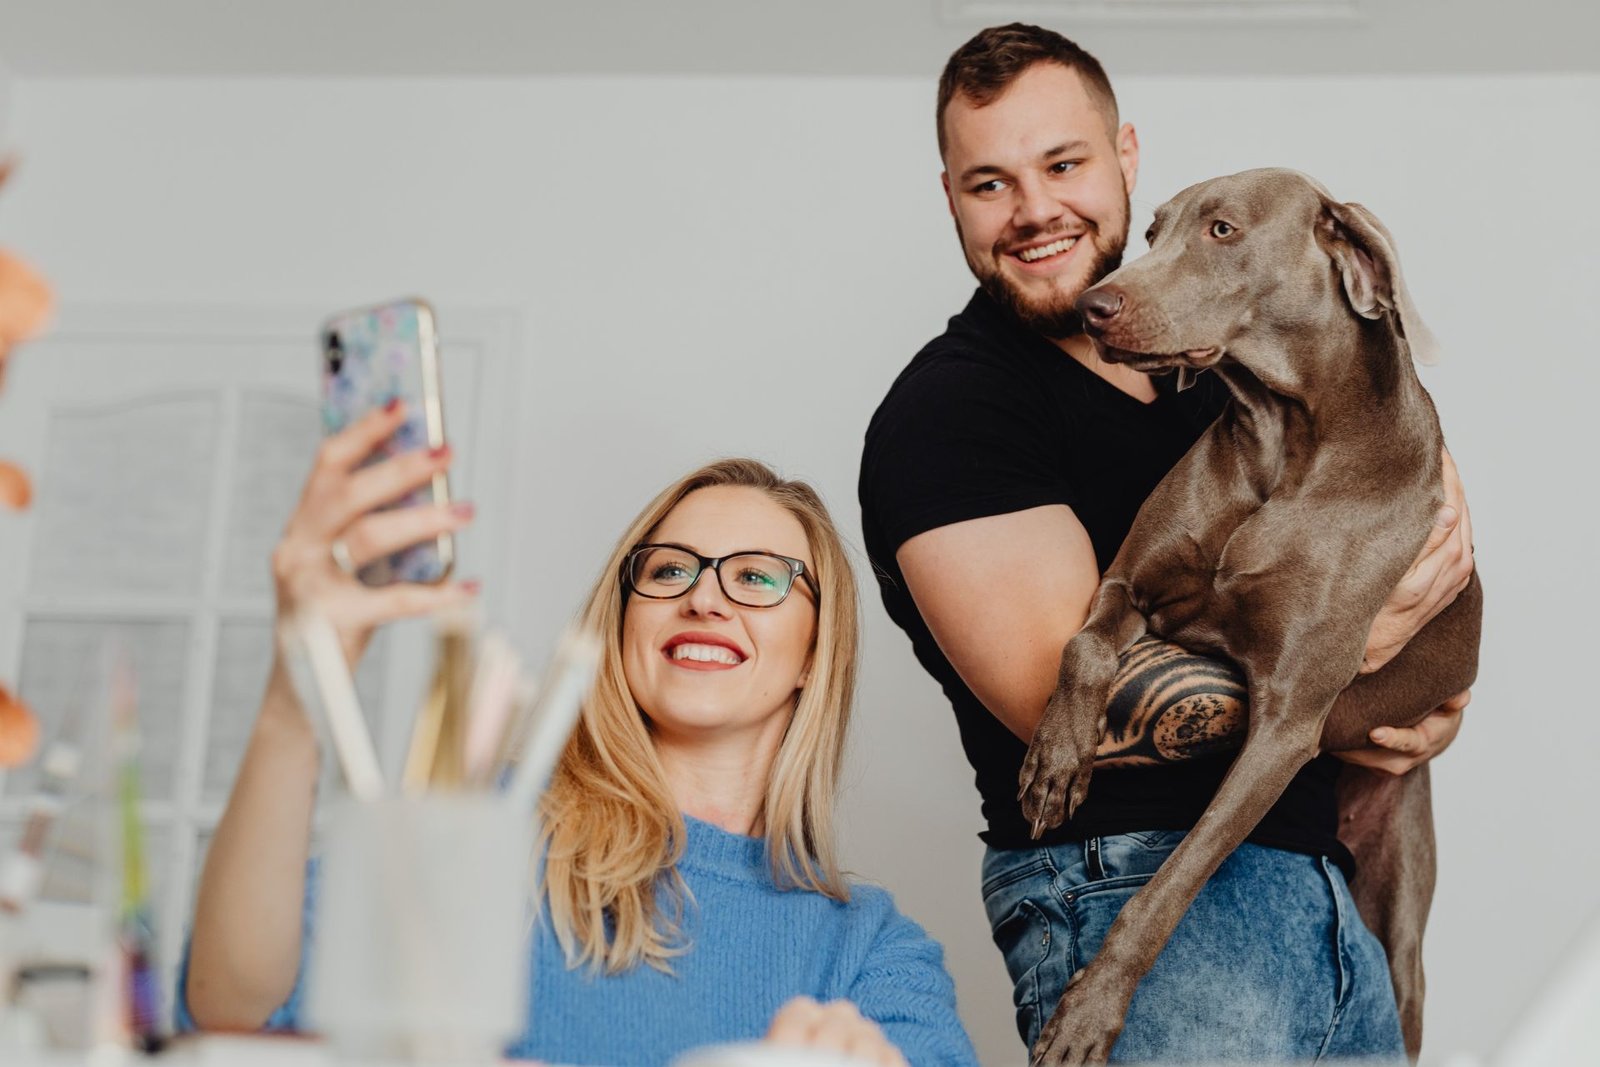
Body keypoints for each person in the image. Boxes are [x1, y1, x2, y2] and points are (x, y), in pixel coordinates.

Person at [858, 23, 1475, 1063]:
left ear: (1125, 158)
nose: (1035, 209)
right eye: (988, 184)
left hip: (1328, 896)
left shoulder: (1224, 382)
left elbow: (1415, 563)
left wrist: (1405, 680)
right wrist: (1353, 671)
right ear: (950, 197)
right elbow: (1063, 701)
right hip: (1126, 883)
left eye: (1062, 164)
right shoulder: (951, 410)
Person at [177, 410, 978, 1067]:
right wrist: (296, 689)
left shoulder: (869, 948)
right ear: (622, 619)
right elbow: (231, 1001)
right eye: (668, 571)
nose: (704, 598)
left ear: (814, 650)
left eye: (758, 577)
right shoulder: (479, 835)